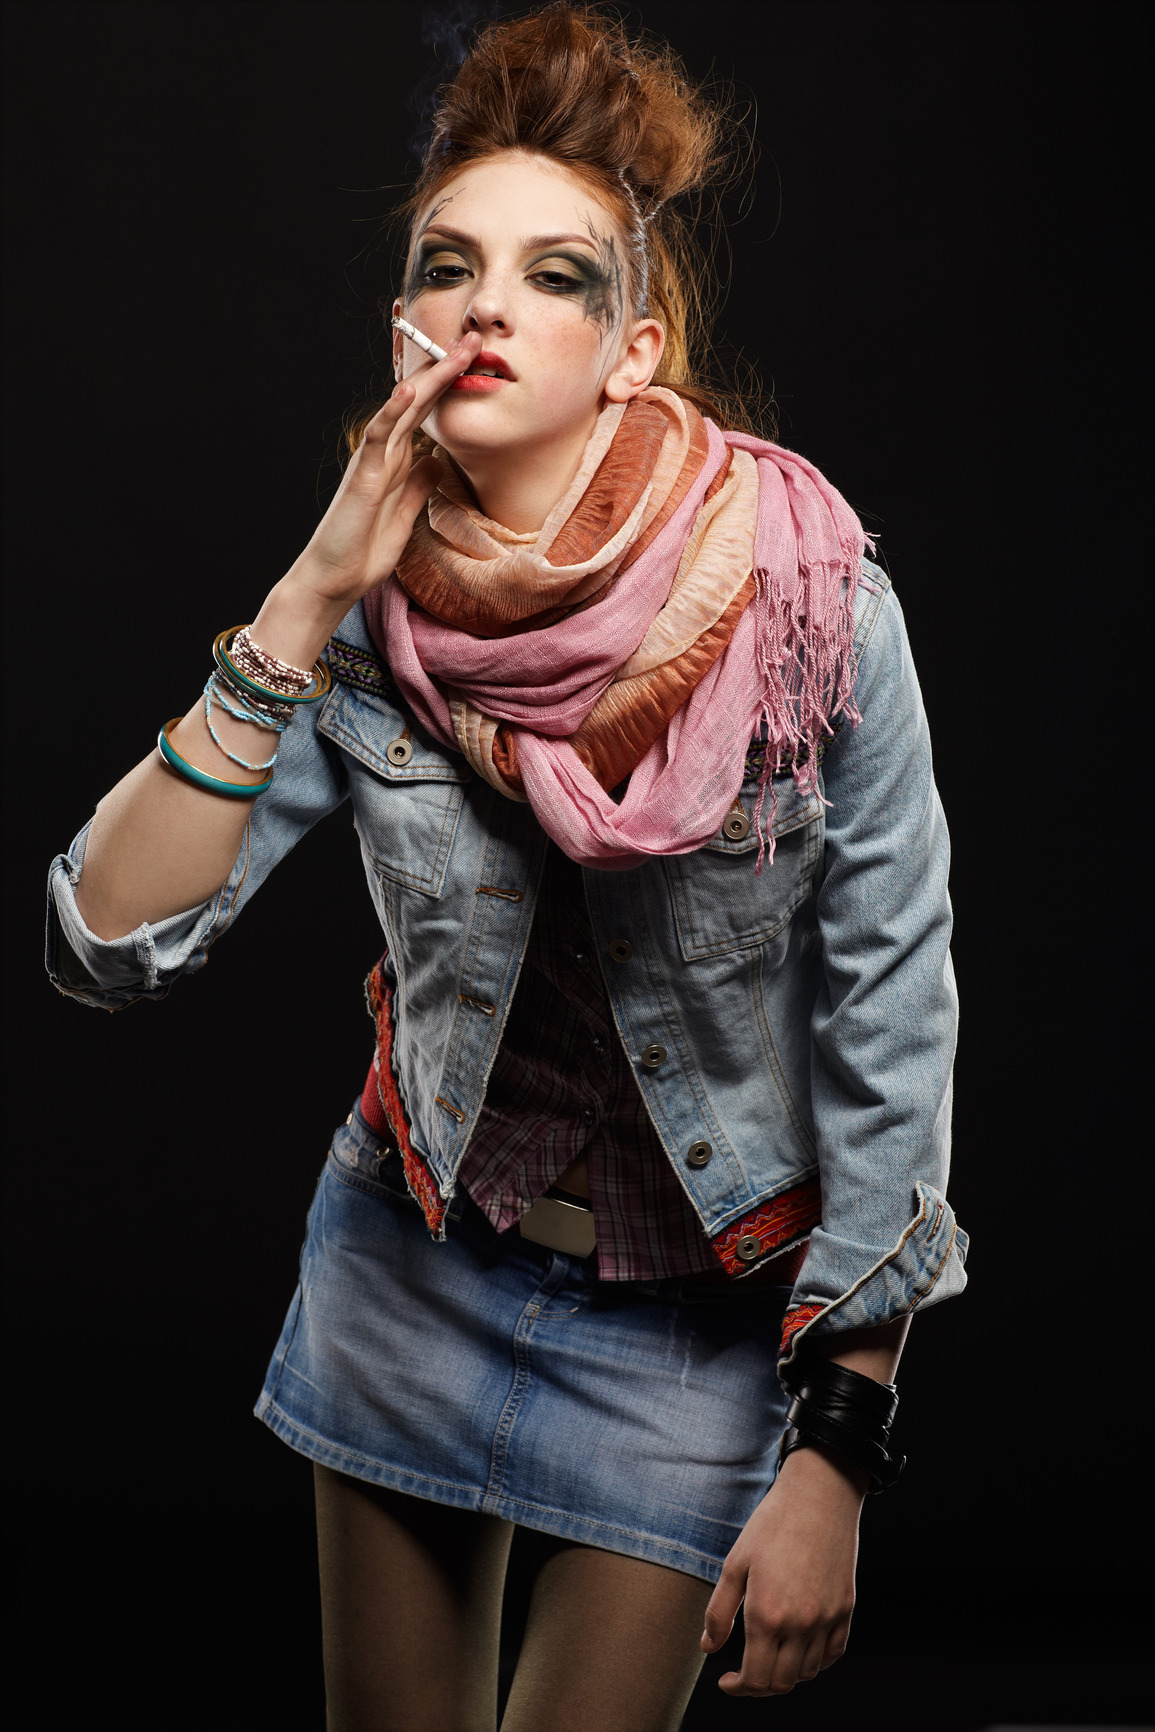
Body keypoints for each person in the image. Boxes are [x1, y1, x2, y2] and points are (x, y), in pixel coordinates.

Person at [45, 5, 966, 1727]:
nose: (487, 303)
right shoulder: (368, 616)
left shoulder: (807, 597)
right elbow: (101, 939)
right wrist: (308, 598)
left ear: (633, 346)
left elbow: (892, 1019)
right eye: (449, 265)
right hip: (412, 1264)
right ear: (406, 327)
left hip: (696, 1319)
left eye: (552, 276)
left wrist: (842, 1441)